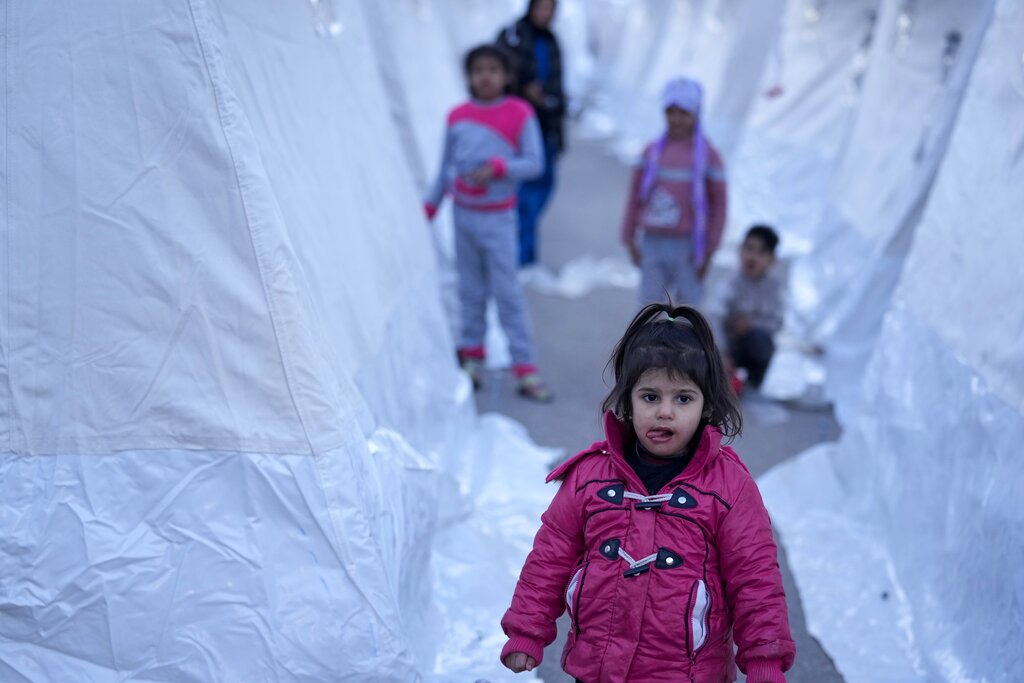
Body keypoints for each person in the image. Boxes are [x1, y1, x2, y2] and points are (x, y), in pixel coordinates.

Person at [499, 302, 795, 681]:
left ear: (706, 406)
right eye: (650, 397)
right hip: (597, 668)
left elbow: (756, 579)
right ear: (628, 400)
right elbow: (550, 556)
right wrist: (527, 630)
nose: (665, 412)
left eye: (683, 399)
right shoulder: (591, 477)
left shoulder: (729, 488)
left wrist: (763, 660)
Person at [424, 44, 553, 402]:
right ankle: (472, 357)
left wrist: (499, 168)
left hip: (499, 219)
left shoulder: (519, 113)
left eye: (493, 70)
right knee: (470, 291)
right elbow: (445, 167)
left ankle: (525, 368)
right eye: (478, 69)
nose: (485, 76)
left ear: (507, 76)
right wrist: (431, 206)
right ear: (469, 75)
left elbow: (534, 164)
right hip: (463, 217)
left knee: (507, 293)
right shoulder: (458, 116)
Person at [621, 77, 727, 308]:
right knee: (649, 309)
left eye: (684, 113)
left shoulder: (709, 156)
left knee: (689, 309)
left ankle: (685, 345)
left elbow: (719, 205)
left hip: (689, 246)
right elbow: (634, 198)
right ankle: (648, 345)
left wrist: (709, 250)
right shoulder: (651, 152)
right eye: (671, 112)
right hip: (653, 242)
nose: (677, 119)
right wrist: (629, 238)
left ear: (696, 114)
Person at [496, 0, 566, 267]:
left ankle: (524, 251)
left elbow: (558, 86)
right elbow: (496, 76)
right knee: (523, 191)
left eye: (550, 9)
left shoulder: (552, 42)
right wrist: (523, 89)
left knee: (543, 187)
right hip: (518, 129)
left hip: (546, 126)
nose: (545, 14)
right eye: (541, 7)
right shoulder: (513, 36)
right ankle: (520, 256)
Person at [722, 225, 784, 391]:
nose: (752, 257)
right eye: (749, 249)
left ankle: (754, 380)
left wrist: (751, 325)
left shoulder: (774, 288)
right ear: (740, 251)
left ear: (771, 260)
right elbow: (714, 316)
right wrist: (721, 351)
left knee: (762, 341)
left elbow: (777, 323)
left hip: (753, 345)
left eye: (761, 252)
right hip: (727, 346)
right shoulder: (730, 282)